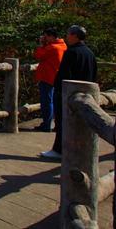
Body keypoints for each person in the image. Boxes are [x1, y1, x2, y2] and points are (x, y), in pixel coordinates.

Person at [40, 25, 97, 159]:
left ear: (75, 36)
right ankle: (77, 151)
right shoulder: (89, 53)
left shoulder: (71, 52)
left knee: (62, 122)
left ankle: (59, 150)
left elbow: (65, 74)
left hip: (68, 93)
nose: (67, 37)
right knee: (79, 125)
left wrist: (59, 89)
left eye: (69, 34)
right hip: (85, 93)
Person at [33, 29, 67, 132]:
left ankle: (46, 125)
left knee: (47, 102)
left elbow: (38, 55)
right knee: (54, 101)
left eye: (46, 36)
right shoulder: (63, 46)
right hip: (56, 76)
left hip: (47, 77)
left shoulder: (52, 47)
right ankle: (57, 125)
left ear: (51, 36)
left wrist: (41, 44)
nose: (45, 38)